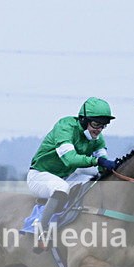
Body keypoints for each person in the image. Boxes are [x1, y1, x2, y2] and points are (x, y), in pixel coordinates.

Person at [27, 97, 118, 251]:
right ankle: (41, 233)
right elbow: (70, 160)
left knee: (93, 182)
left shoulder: (97, 138)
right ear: (83, 120)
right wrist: (98, 162)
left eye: (103, 126)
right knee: (61, 187)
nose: (99, 130)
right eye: (96, 124)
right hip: (40, 175)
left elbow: (103, 164)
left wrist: (113, 166)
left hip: (66, 176)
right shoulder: (65, 127)